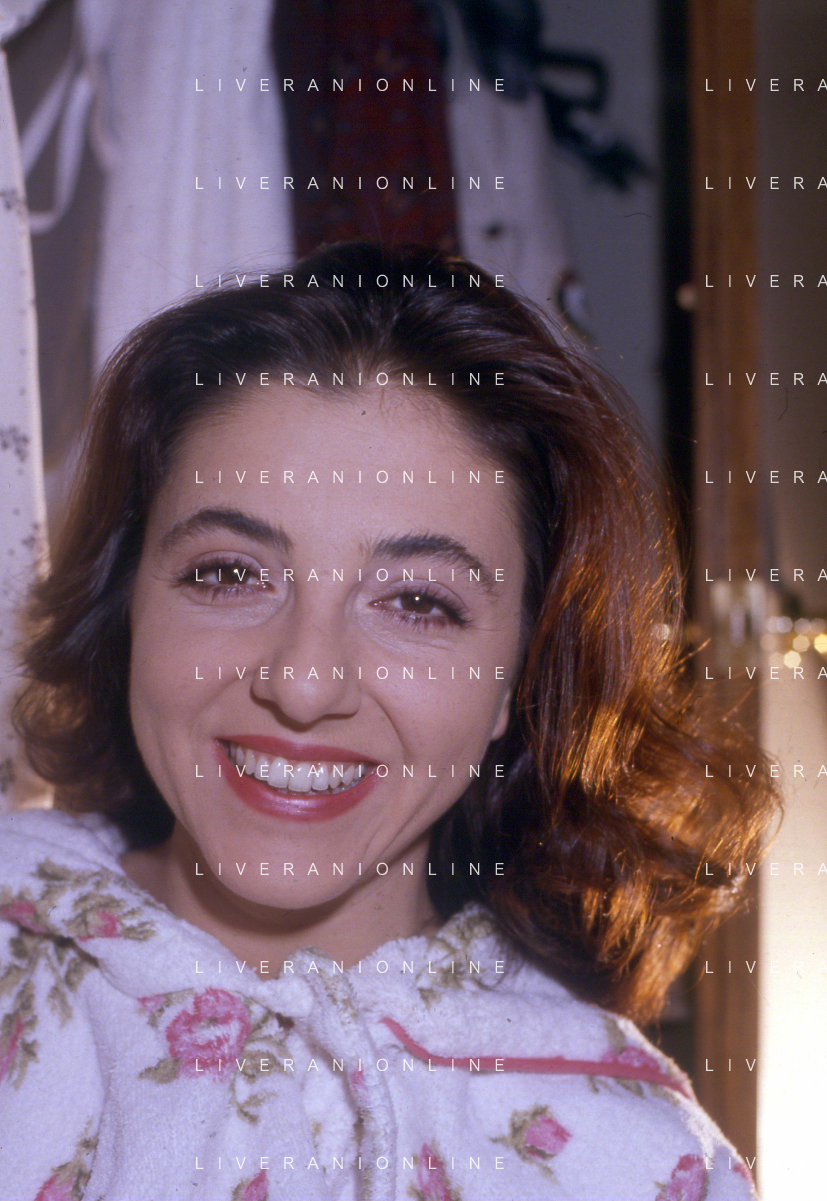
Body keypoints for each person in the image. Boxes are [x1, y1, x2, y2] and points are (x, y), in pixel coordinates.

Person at [0, 242, 776, 1200]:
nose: (303, 682)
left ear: (519, 676)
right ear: (128, 606)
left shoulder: (633, 1164)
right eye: (230, 572)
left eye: (416, 602)